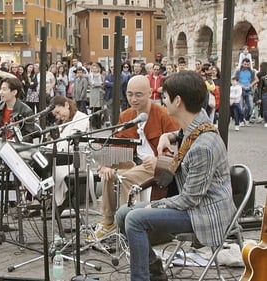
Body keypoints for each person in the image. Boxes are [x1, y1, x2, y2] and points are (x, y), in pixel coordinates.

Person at [115, 70, 236, 281]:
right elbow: (184, 135)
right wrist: (167, 135)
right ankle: (155, 271)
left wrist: (157, 205)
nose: (163, 101)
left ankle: (142, 278)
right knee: (122, 213)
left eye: (166, 97)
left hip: (206, 214)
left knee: (135, 219)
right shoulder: (198, 120)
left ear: (178, 101)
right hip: (196, 206)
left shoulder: (204, 147)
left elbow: (190, 199)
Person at [92, 75, 179, 239]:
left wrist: (159, 160)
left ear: (150, 93)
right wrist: (107, 164)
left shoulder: (163, 115)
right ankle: (108, 221)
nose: (133, 99)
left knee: (123, 178)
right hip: (135, 163)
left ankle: (128, 225)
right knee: (108, 174)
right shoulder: (126, 116)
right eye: (130, 94)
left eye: (138, 94)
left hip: (155, 166)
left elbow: (177, 148)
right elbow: (118, 143)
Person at [48, 96, 90, 207]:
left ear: (67, 105)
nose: (58, 116)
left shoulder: (81, 118)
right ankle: (45, 199)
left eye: (58, 112)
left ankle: (55, 203)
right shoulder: (61, 122)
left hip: (76, 158)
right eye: (55, 115)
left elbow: (70, 142)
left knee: (53, 169)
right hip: (63, 156)